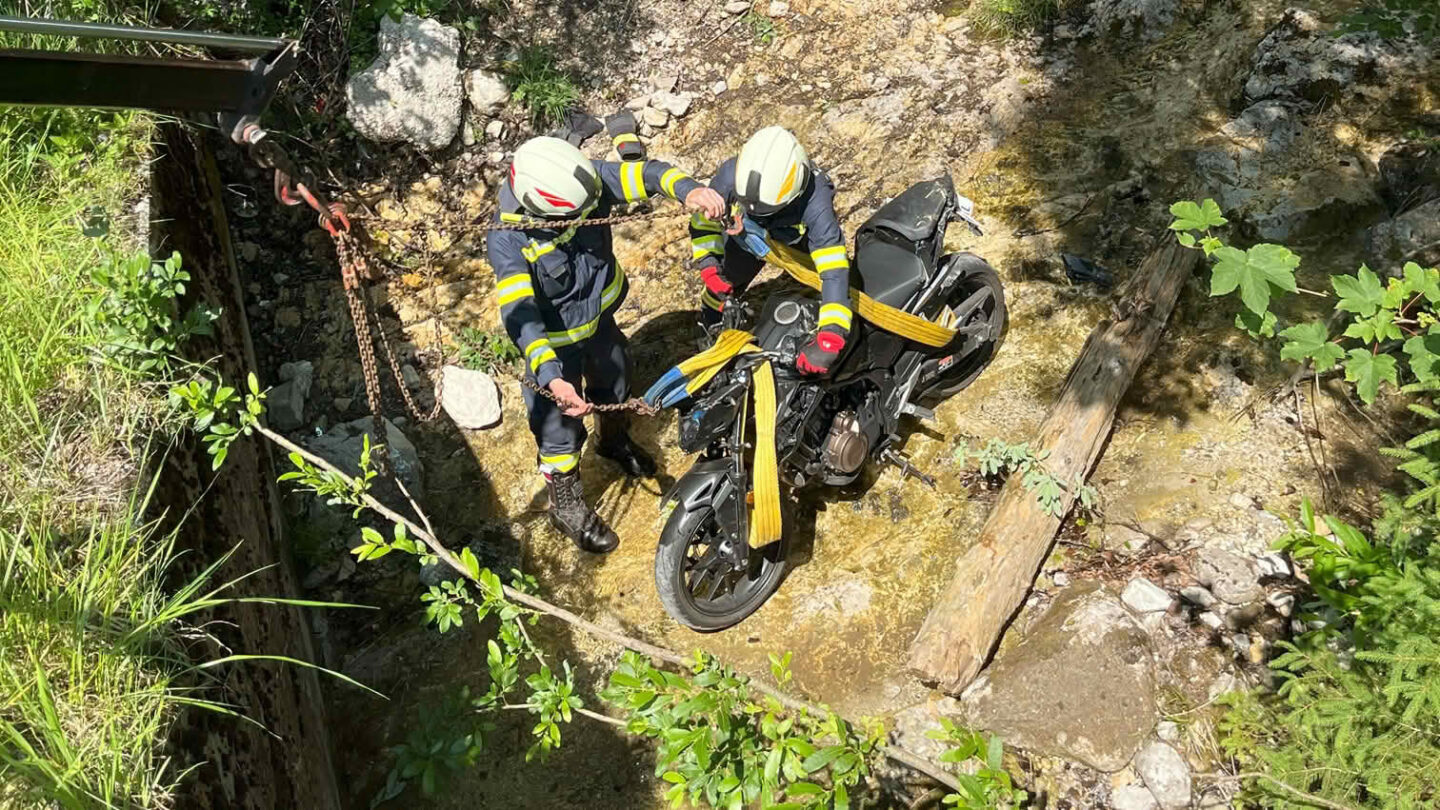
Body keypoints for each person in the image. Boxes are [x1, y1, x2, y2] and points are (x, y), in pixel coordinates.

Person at [487, 136, 725, 553]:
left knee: (616, 383)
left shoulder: (584, 182)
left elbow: (647, 174)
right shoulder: (508, 239)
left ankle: (613, 442)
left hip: (599, 323)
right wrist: (553, 379)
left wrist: (689, 190)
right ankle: (566, 505)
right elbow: (521, 317)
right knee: (557, 430)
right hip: (554, 350)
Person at [689, 126, 853, 375]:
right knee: (723, 285)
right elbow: (703, 222)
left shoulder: (816, 202)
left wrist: (831, 335)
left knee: (826, 291)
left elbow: (833, 270)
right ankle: (711, 324)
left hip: (798, 242)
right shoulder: (730, 176)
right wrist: (708, 263)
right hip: (748, 237)